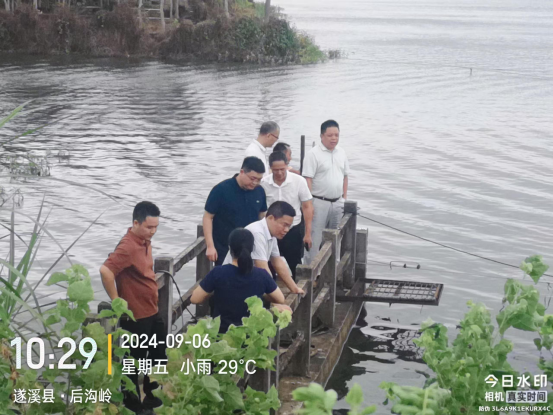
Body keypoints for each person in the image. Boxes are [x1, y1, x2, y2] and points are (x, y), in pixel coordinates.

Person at [99, 201, 165, 412]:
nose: (153, 231)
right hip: (136, 316)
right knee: (133, 363)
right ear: (136, 223)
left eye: (156, 227)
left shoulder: (145, 241)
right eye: (149, 227)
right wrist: (116, 301)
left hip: (151, 310)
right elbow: (106, 271)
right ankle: (133, 406)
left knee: (158, 355)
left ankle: (152, 398)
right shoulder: (128, 246)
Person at [190, 228, 292, 333]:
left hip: (221, 334)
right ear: (252, 249)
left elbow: (195, 299)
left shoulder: (218, 273)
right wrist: (265, 298)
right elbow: (280, 299)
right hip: (252, 335)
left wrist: (213, 291)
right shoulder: (262, 275)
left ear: (230, 249)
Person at [223, 201, 305, 295]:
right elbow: (263, 268)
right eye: (284, 225)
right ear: (270, 218)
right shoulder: (257, 232)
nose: (287, 230)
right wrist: (276, 295)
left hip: (245, 280)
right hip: (232, 281)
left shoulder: (272, 234)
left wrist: (294, 288)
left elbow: (277, 262)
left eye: (289, 226)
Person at [203, 157, 267, 265]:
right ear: (242, 172)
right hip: (225, 248)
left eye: (259, 180)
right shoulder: (221, 190)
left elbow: (262, 217)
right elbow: (207, 217)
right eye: (252, 178)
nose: (255, 182)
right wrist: (210, 246)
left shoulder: (260, 191)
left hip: (252, 247)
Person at [302, 120, 350, 264]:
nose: (334, 138)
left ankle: (333, 268)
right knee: (315, 237)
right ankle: (311, 270)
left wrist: (344, 198)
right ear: (322, 136)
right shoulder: (313, 154)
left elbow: (345, 176)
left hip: (337, 202)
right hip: (318, 202)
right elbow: (308, 179)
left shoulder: (341, 152)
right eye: (330, 135)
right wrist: (309, 203)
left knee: (336, 236)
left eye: (336, 135)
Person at [261, 152, 314, 279]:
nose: (279, 173)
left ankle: (297, 286)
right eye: (275, 170)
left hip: (292, 229)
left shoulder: (299, 181)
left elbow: (307, 207)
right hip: (271, 230)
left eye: (282, 169)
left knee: (294, 262)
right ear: (270, 168)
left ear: (287, 165)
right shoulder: (264, 183)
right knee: (268, 262)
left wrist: (308, 233)